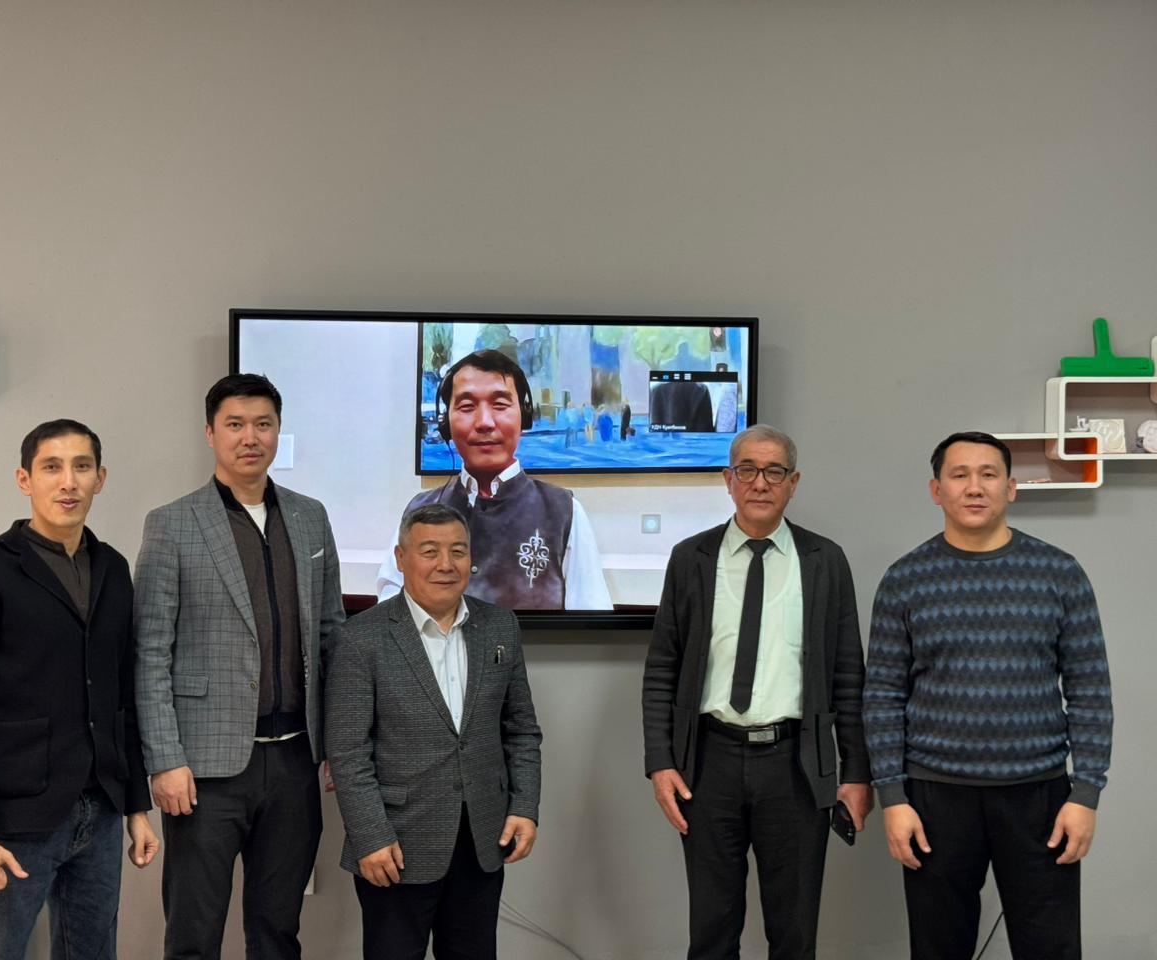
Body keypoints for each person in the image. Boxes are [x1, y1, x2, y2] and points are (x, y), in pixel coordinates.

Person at [863, 431, 1113, 960]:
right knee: (939, 948)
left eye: (988, 474)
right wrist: (894, 798)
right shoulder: (905, 580)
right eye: (959, 475)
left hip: (1040, 795)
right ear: (936, 491)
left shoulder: (1059, 573)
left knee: (1050, 948)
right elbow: (882, 694)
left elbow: (1090, 688)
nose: (974, 487)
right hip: (933, 796)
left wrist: (1085, 792)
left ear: (1011, 488)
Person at [0, 419, 158, 959]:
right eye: (52, 467)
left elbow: (121, 698)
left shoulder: (112, 569)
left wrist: (136, 806)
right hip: (13, 822)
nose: (68, 482)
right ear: (24, 480)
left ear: (100, 478)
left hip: (100, 812)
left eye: (81, 467)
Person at [134, 374, 345, 960]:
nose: (250, 437)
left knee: (278, 932)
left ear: (278, 431)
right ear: (210, 434)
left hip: (296, 759)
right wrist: (165, 760)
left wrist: (340, 740)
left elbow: (332, 634)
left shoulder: (310, 517)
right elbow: (150, 651)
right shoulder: (172, 523)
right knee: (193, 935)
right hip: (204, 770)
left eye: (263, 424)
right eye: (235, 425)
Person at [641, 424, 872, 960]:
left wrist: (856, 771)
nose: (760, 483)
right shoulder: (691, 558)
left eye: (774, 471)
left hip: (796, 765)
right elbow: (662, 669)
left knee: (794, 933)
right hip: (708, 764)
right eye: (747, 470)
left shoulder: (825, 560)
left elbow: (848, 675)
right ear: (729, 479)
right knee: (711, 930)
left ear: (793, 482)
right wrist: (661, 762)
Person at [327, 503, 542, 960]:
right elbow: (348, 751)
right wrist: (371, 836)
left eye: (458, 551)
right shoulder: (361, 638)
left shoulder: (500, 627)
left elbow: (521, 730)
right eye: (430, 552)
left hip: (481, 840)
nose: (446, 564)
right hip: (395, 845)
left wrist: (524, 807)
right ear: (401, 558)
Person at [376, 349, 612, 611]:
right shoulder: (419, 512)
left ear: (524, 416)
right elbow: (390, 620)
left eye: (500, 405)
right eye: (467, 407)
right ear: (446, 423)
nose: (485, 422)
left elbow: (590, 621)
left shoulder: (564, 512)